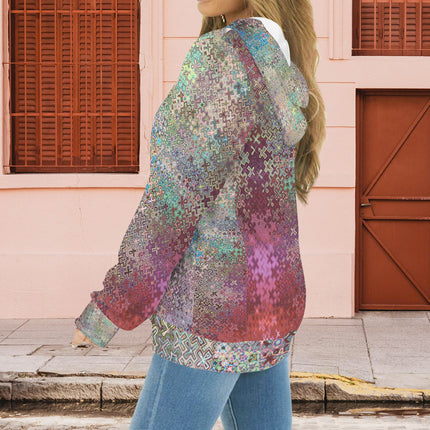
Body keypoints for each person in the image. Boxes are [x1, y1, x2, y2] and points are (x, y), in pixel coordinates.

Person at [72, 0, 325, 428]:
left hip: (211, 310)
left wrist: (112, 306)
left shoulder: (222, 56)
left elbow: (173, 201)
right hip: (269, 304)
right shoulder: (276, 55)